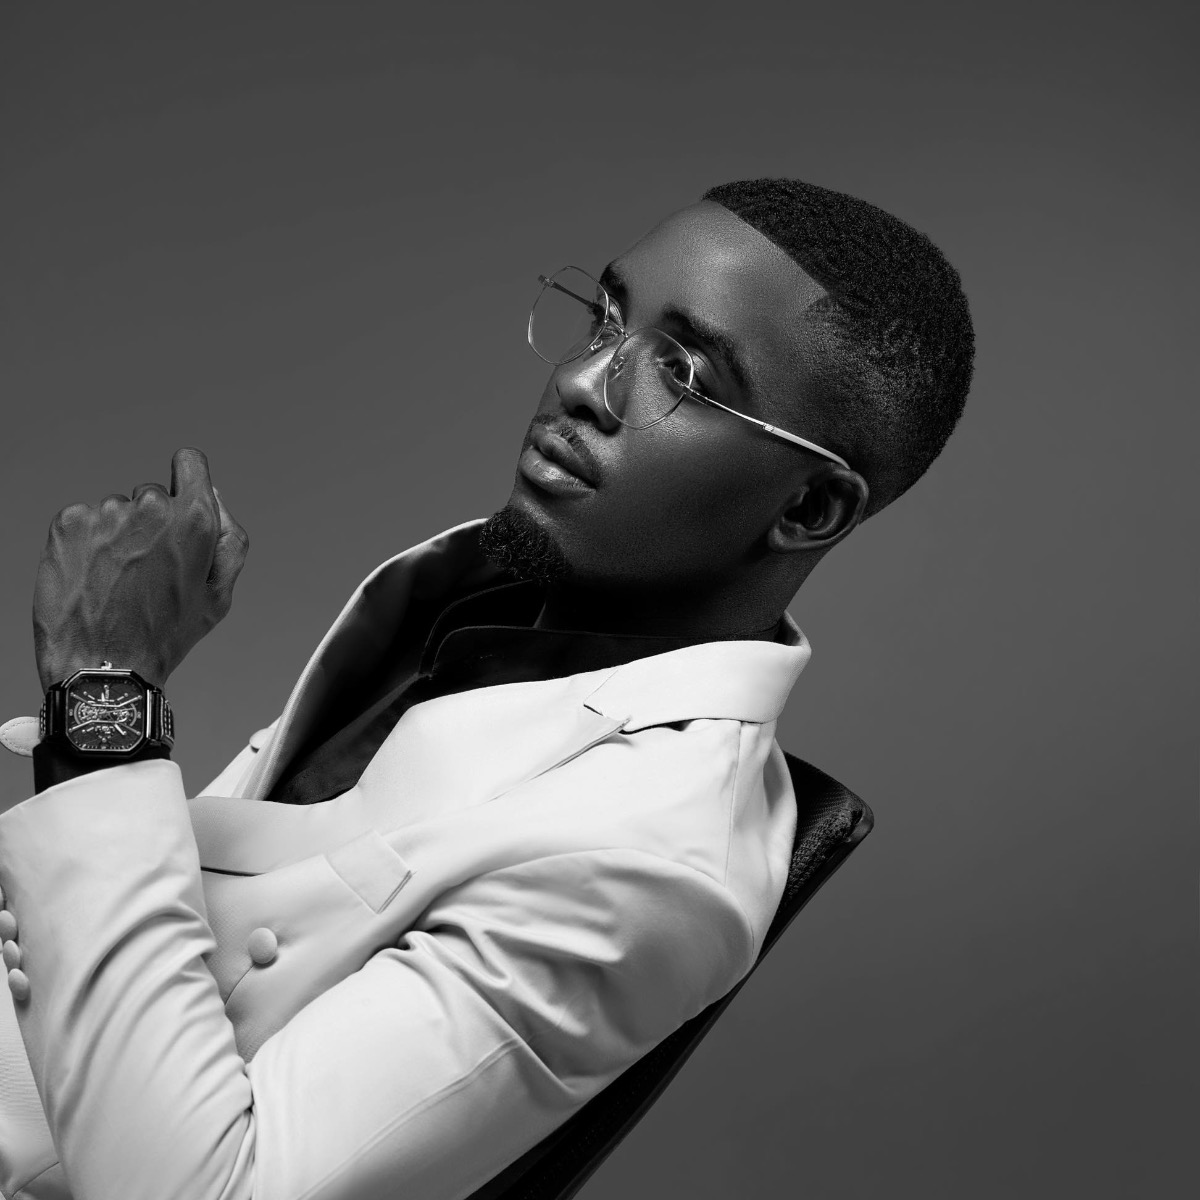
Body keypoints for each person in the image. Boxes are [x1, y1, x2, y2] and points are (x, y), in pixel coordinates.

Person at [0, 177, 974, 1200]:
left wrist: (103, 695)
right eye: (607, 317)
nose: (584, 382)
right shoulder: (487, 601)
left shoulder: (649, 859)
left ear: (809, 507)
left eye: (684, 374)